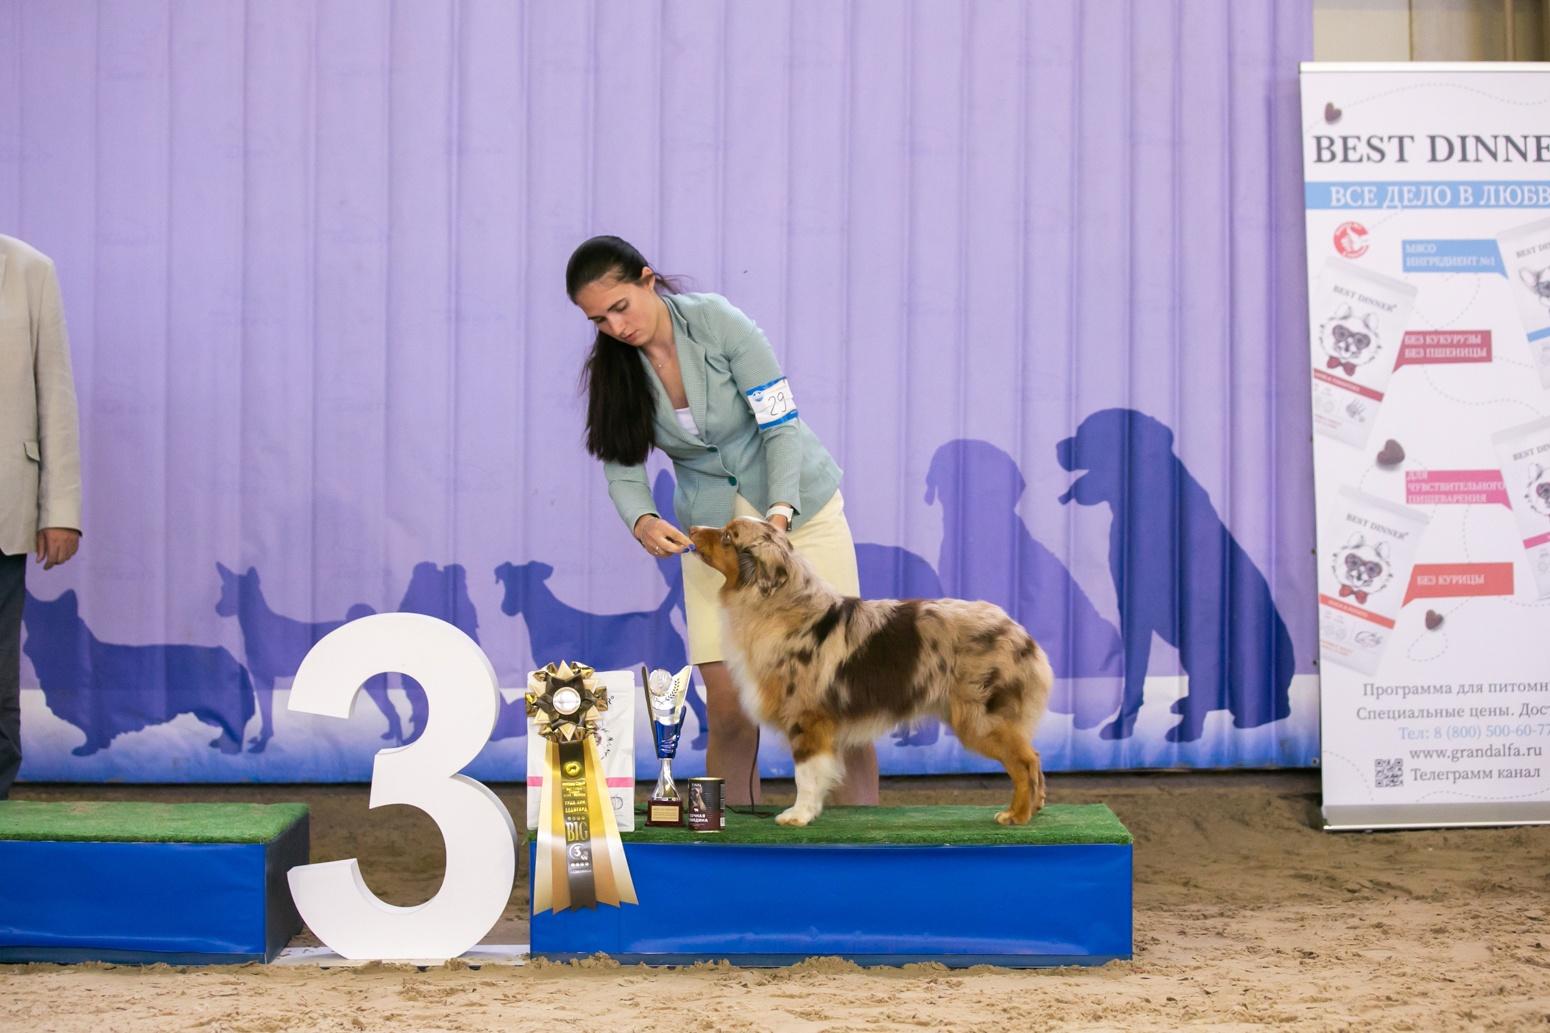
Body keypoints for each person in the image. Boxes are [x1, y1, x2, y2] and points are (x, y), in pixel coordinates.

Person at [567, 235, 878, 807]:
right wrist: (642, 520)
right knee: (732, 706)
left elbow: (780, 424)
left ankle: (865, 844)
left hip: (800, 513)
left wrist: (780, 512)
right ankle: (731, 849)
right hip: (716, 539)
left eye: (620, 307)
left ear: (647, 278)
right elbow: (621, 465)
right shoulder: (616, 372)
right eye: (599, 320)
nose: (615, 327)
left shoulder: (720, 323)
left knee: (839, 694)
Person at [0, 234, 83, 799]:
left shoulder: (30, 270)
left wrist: (61, 510)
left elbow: (54, 394)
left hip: (4, 509)